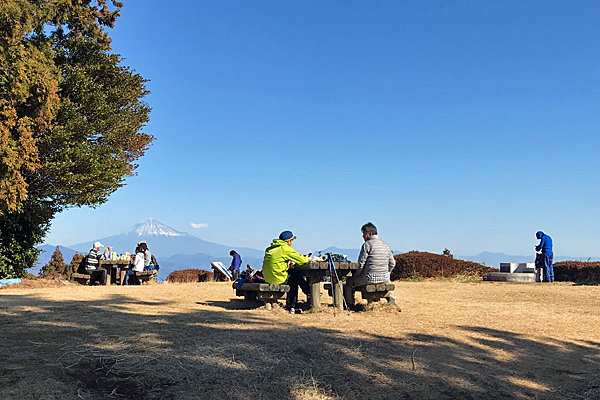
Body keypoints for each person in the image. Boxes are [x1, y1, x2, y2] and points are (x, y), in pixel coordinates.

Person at [343, 222, 399, 311]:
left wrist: (357, 274)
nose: (363, 237)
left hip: (369, 278)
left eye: (364, 234)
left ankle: (350, 305)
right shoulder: (385, 245)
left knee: (349, 282)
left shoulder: (367, 245)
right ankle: (392, 301)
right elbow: (392, 263)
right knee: (388, 281)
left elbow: (361, 264)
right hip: (384, 278)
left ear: (370, 234)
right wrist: (387, 273)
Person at [261, 230, 310, 314]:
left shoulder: (270, 249)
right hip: (278, 279)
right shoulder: (285, 248)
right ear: (289, 241)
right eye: (292, 240)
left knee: (293, 276)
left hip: (268, 278)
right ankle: (295, 304)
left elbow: (274, 263)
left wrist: (285, 265)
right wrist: (308, 258)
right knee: (295, 277)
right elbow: (301, 260)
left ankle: (304, 296)